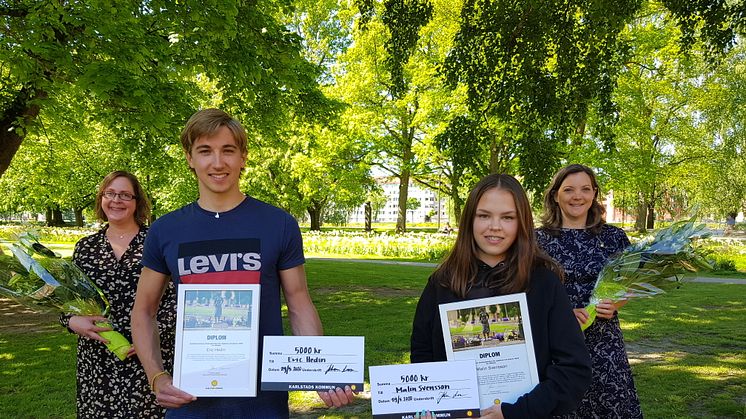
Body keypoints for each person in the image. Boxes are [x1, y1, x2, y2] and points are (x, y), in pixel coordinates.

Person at [131, 108, 354, 418]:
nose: (218, 162)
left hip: (262, 403)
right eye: (205, 151)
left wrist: (320, 370)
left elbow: (300, 303)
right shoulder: (166, 230)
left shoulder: (278, 224)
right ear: (189, 158)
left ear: (243, 157)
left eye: (228, 151)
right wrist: (156, 377)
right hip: (190, 399)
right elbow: (143, 310)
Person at [410, 174, 592, 419]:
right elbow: (423, 355)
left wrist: (516, 412)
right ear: (469, 220)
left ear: (521, 223)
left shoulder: (543, 283)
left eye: (507, 217)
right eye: (484, 215)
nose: (494, 226)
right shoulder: (443, 282)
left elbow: (574, 369)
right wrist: (430, 402)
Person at [59, 170, 177, 418]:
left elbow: (175, 300)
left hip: (149, 356)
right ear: (101, 199)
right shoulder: (86, 247)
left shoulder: (156, 242)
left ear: (137, 202)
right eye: (110, 193)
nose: (116, 200)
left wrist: (146, 336)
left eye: (125, 195)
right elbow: (70, 298)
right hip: (99, 356)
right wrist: (72, 321)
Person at [536, 164, 642, 418]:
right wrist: (561, 314)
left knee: (611, 406)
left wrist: (617, 304)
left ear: (594, 194)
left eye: (585, 189)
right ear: (555, 195)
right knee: (561, 406)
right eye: (569, 189)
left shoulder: (614, 237)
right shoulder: (536, 240)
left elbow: (631, 282)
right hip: (555, 342)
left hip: (605, 342)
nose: (577, 196)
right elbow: (526, 291)